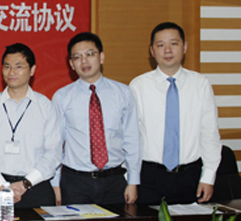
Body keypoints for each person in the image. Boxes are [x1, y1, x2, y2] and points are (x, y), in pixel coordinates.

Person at [130, 22, 221, 204]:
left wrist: (208, 177)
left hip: (190, 176)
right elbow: (130, 137)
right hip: (150, 177)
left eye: (174, 43)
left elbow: (209, 134)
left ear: (184, 47)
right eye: (161, 45)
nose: (168, 50)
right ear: (152, 51)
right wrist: (130, 179)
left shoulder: (200, 84)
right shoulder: (138, 86)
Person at [51, 32, 140, 206]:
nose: (84, 61)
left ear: (102, 57)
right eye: (77, 57)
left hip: (114, 180)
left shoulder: (123, 93)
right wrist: (55, 183)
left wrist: (133, 181)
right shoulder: (62, 97)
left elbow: (132, 139)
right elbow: (55, 144)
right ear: (71, 64)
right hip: (75, 183)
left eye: (90, 54)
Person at [0, 43, 61, 208]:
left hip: (36, 188)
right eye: (7, 66)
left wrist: (26, 183)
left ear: (32, 70)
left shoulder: (45, 106)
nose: (11, 72)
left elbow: (53, 153)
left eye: (19, 67)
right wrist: (3, 185)